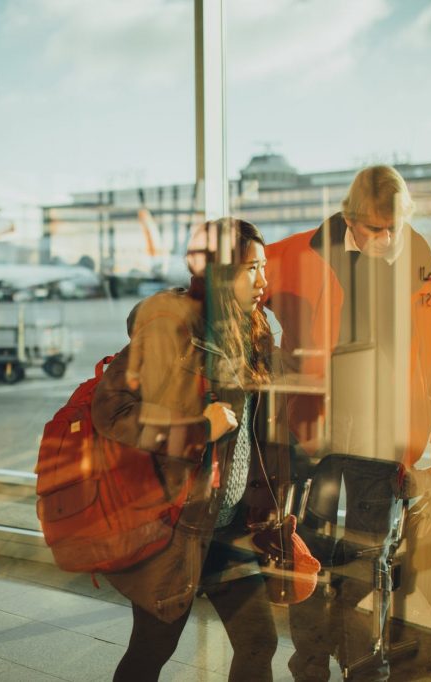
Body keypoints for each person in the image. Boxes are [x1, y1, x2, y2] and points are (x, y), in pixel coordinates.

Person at [262, 166, 431, 680]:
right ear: (351, 219)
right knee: (308, 553)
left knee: (367, 559)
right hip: (318, 437)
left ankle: (355, 654)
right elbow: (236, 284)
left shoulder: (422, 264)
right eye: (374, 229)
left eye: (393, 228)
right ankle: (310, 660)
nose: (384, 239)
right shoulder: (302, 252)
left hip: (384, 441)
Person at [92, 218, 294, 682]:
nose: (264, 280)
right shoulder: (172, 332)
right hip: (175, 529)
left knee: (259, 641)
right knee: (150, 651)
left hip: (228, 528)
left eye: (264, 267)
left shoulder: (255, 331)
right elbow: (111, 411)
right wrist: (196, 427)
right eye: (251, 269)